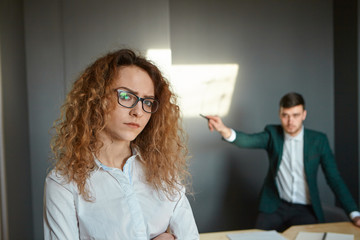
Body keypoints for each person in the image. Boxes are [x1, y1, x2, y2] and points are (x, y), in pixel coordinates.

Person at [44, 49, 199, 240]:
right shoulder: (63, 183)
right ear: (96, 99)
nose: (138, 112)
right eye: (126, 96)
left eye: (148, 102)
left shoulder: (163, 172)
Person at [205, 92, 360, 232]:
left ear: (304, 114)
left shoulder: (319, 140)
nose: (290, 121)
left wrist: (353, 213)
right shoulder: (273, 134)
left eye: (295, 115)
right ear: (279, 115)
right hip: (274, 206)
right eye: (285, 115)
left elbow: (334, 179)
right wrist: (223, 129)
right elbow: (247, 140)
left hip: (305, 208)